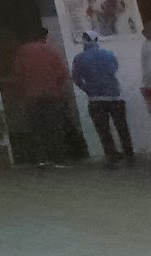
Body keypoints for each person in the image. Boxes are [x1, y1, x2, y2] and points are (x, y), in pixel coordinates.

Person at [71, 31, 135, 165]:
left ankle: (112, 158)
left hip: (96, 99)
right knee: (122, 127)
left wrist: (88, 89)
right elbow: (115, 69)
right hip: (115, 97)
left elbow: (76, 78)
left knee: (103, 130)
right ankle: (129, 155)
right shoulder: (108, 54)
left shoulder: (79, 58)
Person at [13, 28, 73, 166]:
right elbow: (63, 73)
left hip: (32, 96)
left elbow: (18, 73)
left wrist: (25, 87)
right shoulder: (52, 51)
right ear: (44, 37)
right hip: (52, 95)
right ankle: (58, 158)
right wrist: (58, 89)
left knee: (36, 127)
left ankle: (41, 158)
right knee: (54, 126)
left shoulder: (23, 51)